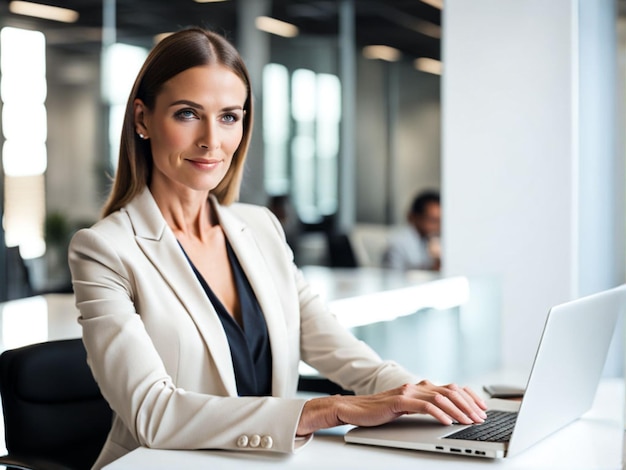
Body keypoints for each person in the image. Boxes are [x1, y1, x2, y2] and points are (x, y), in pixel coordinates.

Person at [68, 28, 486, 469]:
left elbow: (340, 351)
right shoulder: (104, 249)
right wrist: (329, 409)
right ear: (141, 119)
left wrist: (419, 398)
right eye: (188, 114)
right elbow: (153, 413)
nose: (212, 139)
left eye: (229, 116)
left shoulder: (259, 227)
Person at [383, 190, 441, 271]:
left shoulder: (432, 240)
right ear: (413, 217)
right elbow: (392, 277)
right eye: (433, 220)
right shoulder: (397, 244)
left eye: (440, 221)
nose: (438, 226)